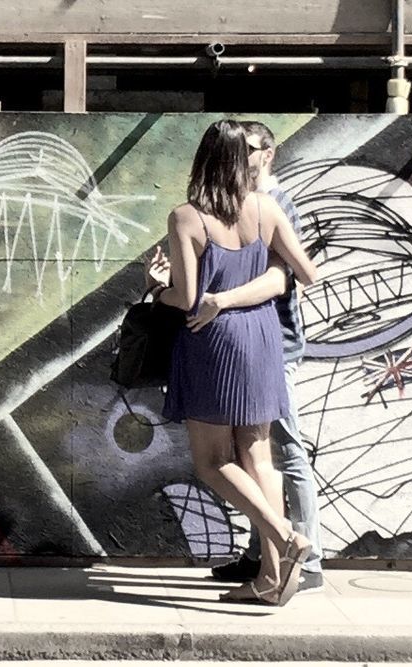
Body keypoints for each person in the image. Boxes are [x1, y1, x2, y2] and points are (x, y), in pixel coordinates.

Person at [145, 119, 319, 606]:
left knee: (212, 461)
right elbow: (306, 272)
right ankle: (270, 578)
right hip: (264, 337)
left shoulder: (186, 218)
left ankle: (285, 537)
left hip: (213, 341)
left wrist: (156, 285)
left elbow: (188, 296)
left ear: (202, 160)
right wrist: (271, 265)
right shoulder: (265, 209)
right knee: (259, 456)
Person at [206, 121, 325, 594]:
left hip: (276, 342)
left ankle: (308, 557)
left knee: (286, 450)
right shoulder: (239, 204)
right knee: (252, 453)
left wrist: (222, 299)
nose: (242, 157)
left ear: (268, 154)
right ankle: (263, 555)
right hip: (253, 343)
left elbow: (287, 277)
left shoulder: (278, 204)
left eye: (250, 150)